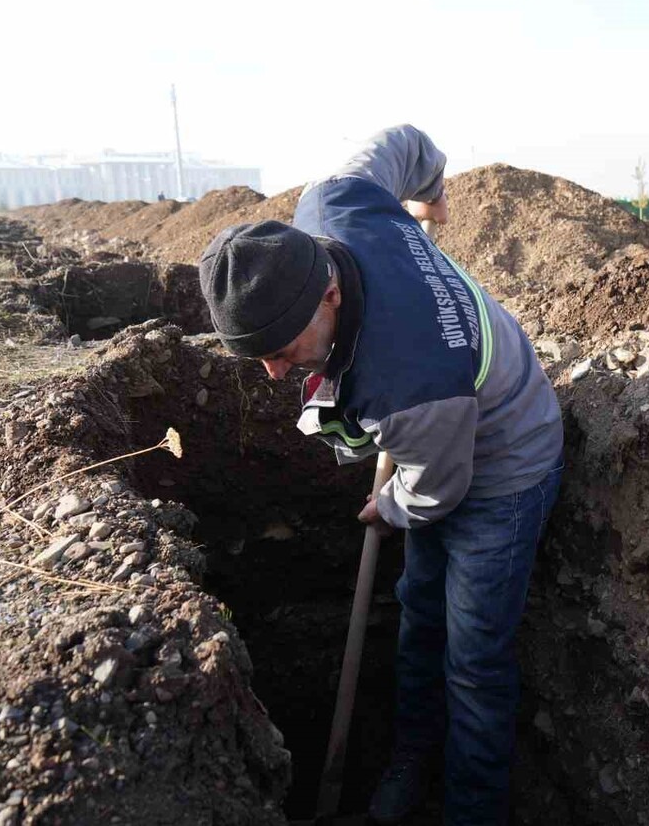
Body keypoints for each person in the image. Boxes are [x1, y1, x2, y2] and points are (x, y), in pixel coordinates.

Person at [197, 125, 564, 825]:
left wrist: (392, 506)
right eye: (260, 357)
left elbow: (438, 489)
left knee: (473, 660)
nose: (276, 373)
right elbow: (403, 141)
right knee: (419, 610)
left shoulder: (407, 378)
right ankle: (411, 754)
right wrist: (429, 196)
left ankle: (471, 807)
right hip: (444, 432)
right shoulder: (333, 202)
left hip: (504, 464)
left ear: (329, 291)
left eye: (282, 349)